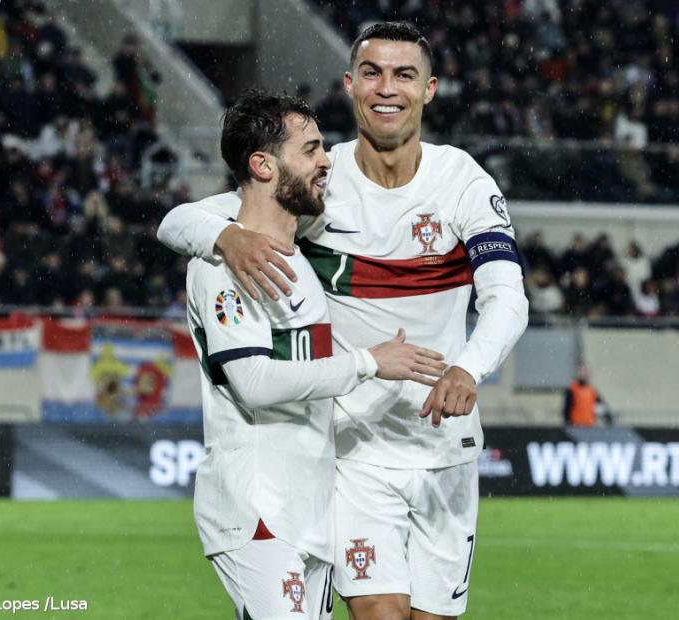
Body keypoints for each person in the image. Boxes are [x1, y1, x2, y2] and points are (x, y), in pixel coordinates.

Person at [158, 22, 528, 620]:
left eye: (404, 74)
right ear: (350, 85)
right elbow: (178, 222)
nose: (388, 88)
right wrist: (226, 235)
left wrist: (467, 366)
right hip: (355, 451)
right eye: (373, 73)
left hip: (446, 447)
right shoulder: (319, 185)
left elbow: (508, 298)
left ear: (429, 89)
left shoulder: (462, 181)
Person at [187, 90, 449, 620]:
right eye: (310, 151)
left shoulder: (299, 254)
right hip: (257, 507)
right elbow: (253, 382)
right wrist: (368, 363)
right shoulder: (225, 265)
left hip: (309, 506)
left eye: (324, 148)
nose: (327, 160)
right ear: (262, 165)